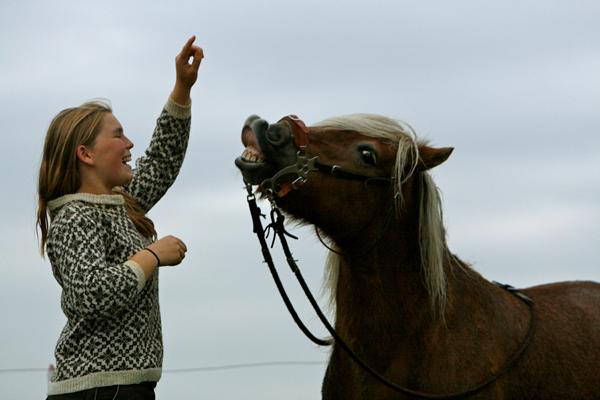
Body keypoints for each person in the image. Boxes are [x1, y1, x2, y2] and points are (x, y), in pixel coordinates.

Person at [36, 36, 204, 399]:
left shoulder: (121, 206)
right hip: (99, 391)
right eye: (118, 135)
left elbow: (161, 161)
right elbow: (89, 294)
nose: (130, 144)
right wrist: (152, 255)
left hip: (126, 387)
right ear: (86, 154)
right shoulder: (75, 217)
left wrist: (182, 89)